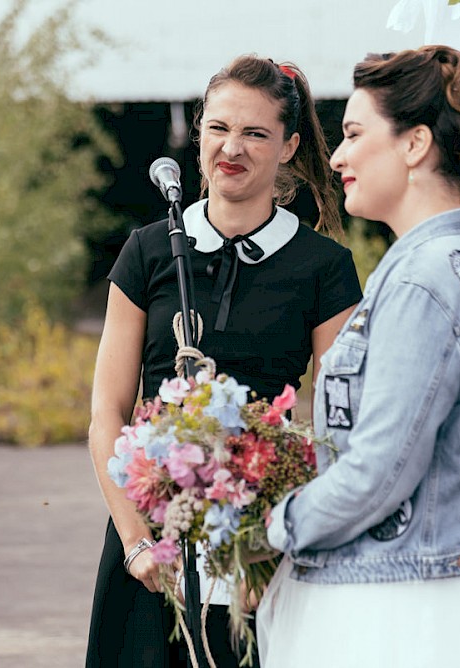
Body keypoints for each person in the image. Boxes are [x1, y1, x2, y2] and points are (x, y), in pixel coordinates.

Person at [257, 46, 460, 667]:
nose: (338, 156)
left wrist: (276, 523)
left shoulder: (422, 283)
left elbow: (380, 467)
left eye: (352, 133)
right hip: (449, 584)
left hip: (402, 605)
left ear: (414, 144)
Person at [85, 56, 362, 667]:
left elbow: (342, 426)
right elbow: (107, 411)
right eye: (218, 129)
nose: (230, 148)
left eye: (255, 133)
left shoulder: (324, 268)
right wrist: (135, 542)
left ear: (289, 145)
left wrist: (274, 547)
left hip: (260, 552)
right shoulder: (149, 250)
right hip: (149, 543)